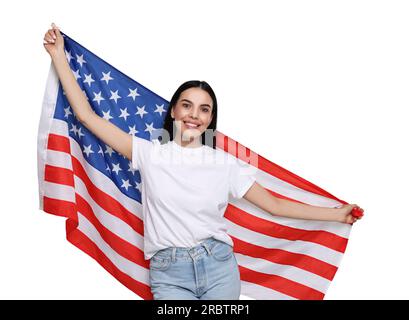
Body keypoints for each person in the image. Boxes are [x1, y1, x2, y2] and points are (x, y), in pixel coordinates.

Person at [43, 23, 363, 300]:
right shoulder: (151, 153)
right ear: (173, 111)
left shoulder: (225, 164)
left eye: (204, 109)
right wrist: (59, 56)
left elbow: (275, 206)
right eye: (187, 105)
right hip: (169, 273)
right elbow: (86, 116)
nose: (194, 115)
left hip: (219, 266)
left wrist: (335, 215)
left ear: (210, 119)